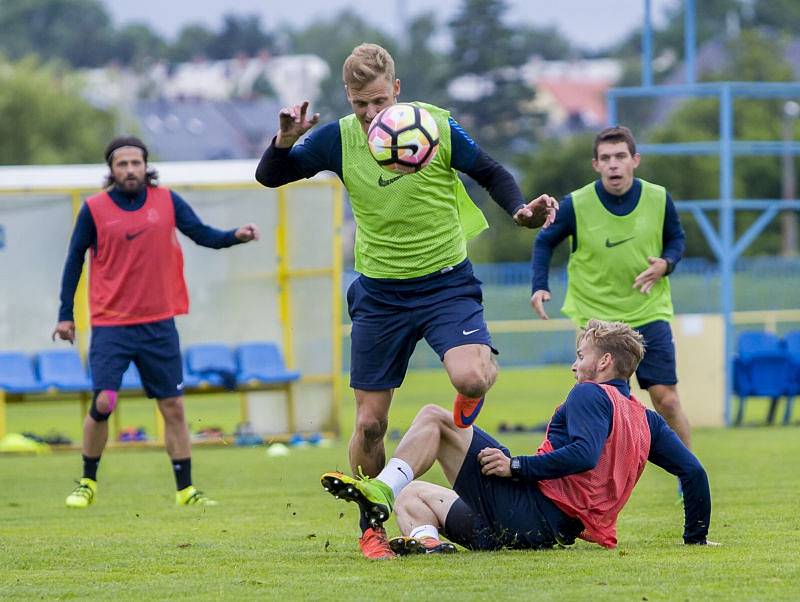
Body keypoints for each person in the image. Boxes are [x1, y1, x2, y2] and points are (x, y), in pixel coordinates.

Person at [255, 43, 557, 558]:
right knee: (370, 424)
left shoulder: (434, 126)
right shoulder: (339, 139)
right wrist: (282, 144)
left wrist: (519, 212)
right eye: (359, 104)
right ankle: (371, 527)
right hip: (380, 293)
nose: (370, 114)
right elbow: (270, 176)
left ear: (396, 89)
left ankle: (468, 397)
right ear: (348, 100)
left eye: (377, 101)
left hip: (445, 283)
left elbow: (491, 171)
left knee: (472, 377)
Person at [321, 319, 713, 557]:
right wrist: (695, 539)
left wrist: (515, 466)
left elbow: (584, 454)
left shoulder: (590, 393)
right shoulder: (648, 421)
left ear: (605, 362)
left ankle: (381, 491)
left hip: (531, 514)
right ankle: (426, 541)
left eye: (581, 355)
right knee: (414, 492)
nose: (575, 365)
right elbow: (694, 473)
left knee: (435, 419)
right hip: (537, 531)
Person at [53, 135, 260, 509]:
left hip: (158, 324)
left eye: (136, 163)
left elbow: (202, 235)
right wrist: (65, 315)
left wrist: (235, 237)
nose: (130, 170)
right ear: (111, 170)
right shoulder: (94, 209)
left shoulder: (166, 201)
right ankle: (87, 481)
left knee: (173, 408)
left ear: (145, 167)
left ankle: (186, 490)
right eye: (122, 164)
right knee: (104, 401)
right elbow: (74, 261)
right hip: (111, 325)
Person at [530, 126, 692, 450]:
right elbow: (544, 241)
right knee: (596, 405)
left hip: (647, 310)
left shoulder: (659, 198)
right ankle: (586, 480)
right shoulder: (576, 204)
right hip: (597, 322)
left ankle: (689, 476)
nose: (613, 164)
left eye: (620, 156)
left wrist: (666, 264)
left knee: (667, 400)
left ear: (635, 160)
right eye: (605, 158)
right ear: (595, 165)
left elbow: (677, 240)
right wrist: (539, 286)